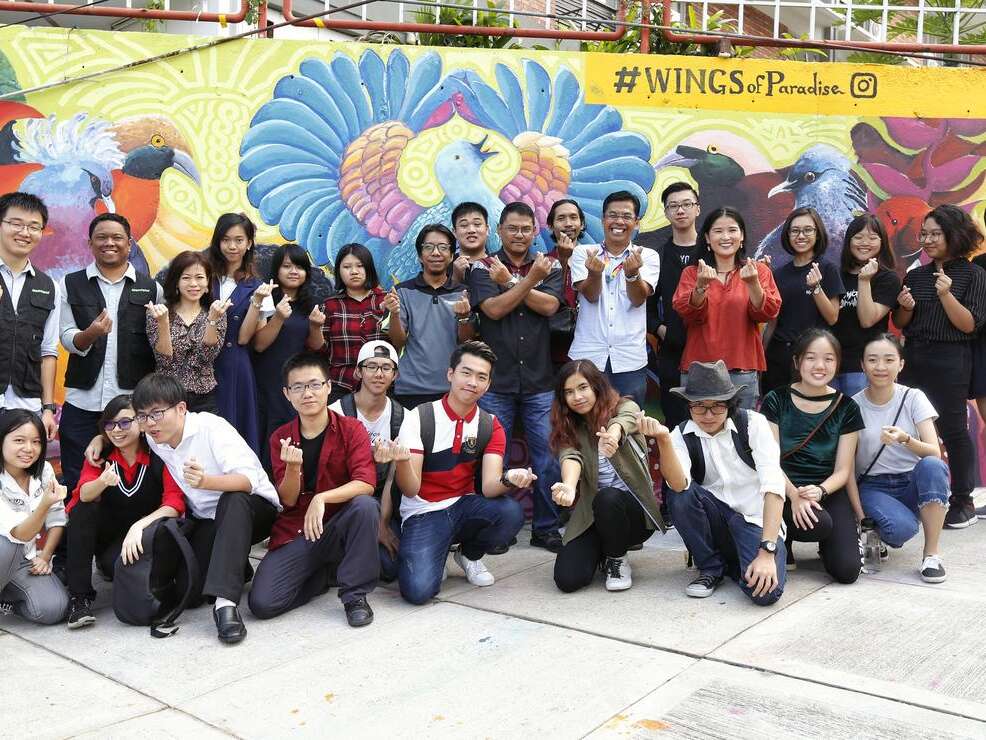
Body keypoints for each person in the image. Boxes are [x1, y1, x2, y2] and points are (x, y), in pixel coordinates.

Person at [88, 373, 281, 644]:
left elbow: (247, 482)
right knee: (189, 595)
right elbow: (122, 433)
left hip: (253, 510)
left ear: (181, 409)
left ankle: (225, 605)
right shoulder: (155, 438)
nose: (150, 423)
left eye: (157, 413)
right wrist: (99, 440)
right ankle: (235, 565)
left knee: (232, 498)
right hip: (208, 521)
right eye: (143, 416)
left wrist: (206, 481)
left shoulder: (212, 428)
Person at [392, 341, 528, 605]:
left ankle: (470, 555)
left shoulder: (490, 424)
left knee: (511, 512)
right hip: (423, 511)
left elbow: (489, 487)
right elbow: (411, 489)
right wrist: (400, 461)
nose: (473, 382)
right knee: (418, 591)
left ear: (488, 385)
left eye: (481, 377)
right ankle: (438, 553)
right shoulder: (420, 416)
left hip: (464, 505)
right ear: (450, 374)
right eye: (466, 373)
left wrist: (510, 480)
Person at [249, 353, 379, 627]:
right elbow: (287, 499)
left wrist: (322, 498)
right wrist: (293, 468)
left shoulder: (351, 429)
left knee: (366, 507)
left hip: (338, 526)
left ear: (328, 387)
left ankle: (354, 595)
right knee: (262, 604)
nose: (307, 393)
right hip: (297, 531)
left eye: (314, 385)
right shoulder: (280, 437)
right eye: (298, 387)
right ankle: (320, 576)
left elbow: (366, 483)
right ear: (287, 394)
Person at [469, 202, 564, 552]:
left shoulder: (547, 266)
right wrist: (528, 284)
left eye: (526, 229)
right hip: (497, 382)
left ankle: (546, 528)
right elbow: (493, 310)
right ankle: (499, 528)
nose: (520, 235)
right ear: (500, 230)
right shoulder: (483, 267)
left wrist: (512, 282)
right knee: (495, 458)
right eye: (513, 228)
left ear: (534, 230)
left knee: (547, 458)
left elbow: (549, 306)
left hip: (540, 381)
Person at [661, 361, 787, 604]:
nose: (708, 415)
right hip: (715, 516)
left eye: (717, 406)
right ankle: (711, 568)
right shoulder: (681, 433)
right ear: (689, 406)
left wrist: (767, 551)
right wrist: (663, 440)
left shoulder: (753, 424)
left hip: (755, 521)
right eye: (699, 407)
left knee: (765, 594)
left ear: (730, 404)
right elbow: (678, 485)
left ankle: (736, 562)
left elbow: (774, 487)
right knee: (680, 494)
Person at [893, 204, 986, 529]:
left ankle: (962, 501)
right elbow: (902, 322)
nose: (928, 240)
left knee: (953, 431)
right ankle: (914, 493)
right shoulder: (917, 274)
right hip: (915, 356)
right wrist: (905, 308)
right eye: (925, 233)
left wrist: (946, 295)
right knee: (908, 426)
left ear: (954, 235)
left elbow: (969, 325)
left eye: (936, 234)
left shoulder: (974, 275)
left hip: (951, 358)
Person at [59, 213, 162, 495]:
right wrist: (91, 333)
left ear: (129, 244)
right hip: (82, 403)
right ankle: (75, 538)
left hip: (129, 407)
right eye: (101, 237)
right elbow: (67, 337)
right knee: (76, 479)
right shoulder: (70, 284)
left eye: (117, 238)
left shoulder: (152, 288)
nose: (109, 243)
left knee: (127, 483)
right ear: (90, 243)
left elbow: (160, 344)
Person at [64, 394, 185, 628]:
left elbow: (175, 503)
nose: (116, 430)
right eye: (109, 424)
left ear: (141, 424)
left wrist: (139, 526)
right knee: (82, 510)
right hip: (109, 535)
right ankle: (79, 598)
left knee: (115, 565)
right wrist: (102, 482)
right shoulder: (101, 457)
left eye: (124, 422)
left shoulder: (159, 454)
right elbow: (83, 494)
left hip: (143, 535)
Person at [548, 360, 665, 593]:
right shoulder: (568, 427)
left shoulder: (623, 407)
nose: (577, 396)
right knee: (568, 579)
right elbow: (570, 457)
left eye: (583, 387)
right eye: (569, 392)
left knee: (608, 497)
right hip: (594, 516)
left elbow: (629, 417)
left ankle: (617, 558)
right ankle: (604, 547)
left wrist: (613, 433)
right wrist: (569, 487)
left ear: (596, 387)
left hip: (634, 515)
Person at [761, 329, 864, 583]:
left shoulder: (847, 406)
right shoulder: (776, 400)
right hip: (782, 491)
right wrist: (794, 495)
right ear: (797, 362)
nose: (820, 366)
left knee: (847, 571)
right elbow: (769, 461)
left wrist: (819, 491)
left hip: (826, 490)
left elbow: (843, 470)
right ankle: (785, 538)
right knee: (816, 522)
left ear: (838, 363)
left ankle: (827, 547)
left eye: (829, 359)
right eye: (811, 358)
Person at [847, 334, 949, 583]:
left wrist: (905, 439)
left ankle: (932, 554)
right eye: (872, 360)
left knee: (933, 466)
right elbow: (847, 468)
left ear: (901, 364)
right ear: (862, 364)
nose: (880, 367)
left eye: (888, 359)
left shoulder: (914, 398)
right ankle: (878, 532)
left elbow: (934, 451)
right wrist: (862, 519)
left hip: (911, 483)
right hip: (872, 486)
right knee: (901, 529)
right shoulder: (852, 406)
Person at [672, 207, 781, 410]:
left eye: (732, 230)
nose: (725, 237)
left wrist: (753, 284)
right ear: (707, 238)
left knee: (742, 433)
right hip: (700, 370)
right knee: (700, 434)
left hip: (742, 370)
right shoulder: (692, 273)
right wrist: (701, 287)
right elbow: (688, 313)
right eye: (718, 231)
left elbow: (767, 313)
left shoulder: (758, 271)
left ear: (742, 237)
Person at [569, 191, 660, 406]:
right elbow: (590, 296)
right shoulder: (584, 253)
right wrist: (594, 274)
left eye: (627, 216)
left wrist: (632, 275)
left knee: (627, 425)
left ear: (636, 222)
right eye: (613, 215)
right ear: (603, 220)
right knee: (584, 424)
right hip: (588, 357)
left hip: (629, 360)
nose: (619, 221)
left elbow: (638, 299)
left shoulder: (646, 256)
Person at [330, 341, 407, 583]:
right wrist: (368, 462)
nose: (378, 373)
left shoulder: (403, 417)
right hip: (343, 499)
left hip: (382, 500)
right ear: (358, 372)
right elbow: (329, 473)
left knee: (391, 568)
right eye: (371, 366)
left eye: (386, 368)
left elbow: (394, 477)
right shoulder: (336, 412)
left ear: (395, 375)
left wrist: (382, 525)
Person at [252, 244, 325, 468]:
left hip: (296, 384)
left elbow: (315, 347)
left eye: (299, 267)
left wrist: (315, 327)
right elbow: (259, 344)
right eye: (287, 266)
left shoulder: (311, 303)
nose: (294, 271)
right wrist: (279, 318)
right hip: (267, 381)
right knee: (268, 437)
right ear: (276, 270)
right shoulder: (266, 298)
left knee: (295, 438)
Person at [386, 224, 473, 410]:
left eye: (443, 247)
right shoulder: (403, 292)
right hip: (410, 389)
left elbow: (466, 341)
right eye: (428, 247)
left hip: (452, 388)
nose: (436, 253)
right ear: (419, 255)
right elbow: (398, 342)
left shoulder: (462, 293)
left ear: (451, 255)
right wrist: (394, 314)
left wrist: (465, 317)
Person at [763, 208, 844, 395]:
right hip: (779, 358)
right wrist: (762, 356)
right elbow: (773, 321)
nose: (801, 236)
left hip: (811, 358)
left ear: (817, 233)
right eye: (795, 230)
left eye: (808, 230)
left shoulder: (827, 269)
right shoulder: (779, 273)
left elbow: (832, 317)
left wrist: (816, 288)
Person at [0, 192, 60, 440]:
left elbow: (48, 351)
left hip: (27, 406)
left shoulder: (49, 286)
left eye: (34, 227)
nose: (25, 232)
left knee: (22, 477)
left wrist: (47, 409)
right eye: (16, 223)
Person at [0, 409, 68, 624]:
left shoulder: (45, 470)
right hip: (5, 551)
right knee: (8, 544)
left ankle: (6, 600)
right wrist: (45, 504)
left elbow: (57, 518)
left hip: (23, 561)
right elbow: (19, 534)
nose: (28, 449)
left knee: (53, 608)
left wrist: (46, 556)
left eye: (36, 442)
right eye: (19, 440)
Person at [207, 213, 268, 453]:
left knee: (237, 430)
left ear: (249, 243)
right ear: (217, 242)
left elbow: (246, 339)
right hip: (199, 364)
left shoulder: (257, 287)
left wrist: (257, 302)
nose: (232, 246)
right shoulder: (202, 276)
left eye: (239, 240)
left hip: (236, 365)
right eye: (226, 239)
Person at [146, 251, 231, 413]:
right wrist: (163, 323)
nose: (193, 284)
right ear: (176, 282)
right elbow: (164, 361)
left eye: (199, 277)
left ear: (208, 283)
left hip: (204, 398)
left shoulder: (217, 312)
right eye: (186, 278)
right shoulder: (158, 312)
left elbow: (207, 356)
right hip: (166, 396)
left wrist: (212, 320)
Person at [650, 182, 701, 429]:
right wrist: (661, 330)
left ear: (697, 209)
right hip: (672, 354)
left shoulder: (713, 252)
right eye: (673, 206)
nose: (680, 210)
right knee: (677, 425)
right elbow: (645, 307)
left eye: (686, 204)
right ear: (667, 212)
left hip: (711, 351)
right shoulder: (656, 257)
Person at [832, 215, 900, 397]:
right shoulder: (837, 274)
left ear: (882, 242)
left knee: (862, 423)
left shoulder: (888, 278)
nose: (865, 243)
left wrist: (863, 281)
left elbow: (867, 320)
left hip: (863, 368)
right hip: (831, 366)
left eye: (872, 238)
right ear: (849, 241)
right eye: (859, 237)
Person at [317, 243, 386, 404]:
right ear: (339, 271)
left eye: (360, 266)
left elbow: (398, 342)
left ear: (369, 269)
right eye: (347, 266)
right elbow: (320, 349)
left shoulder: (385, 300)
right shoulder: (330, 305)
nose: (354, 271)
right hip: (340, 384)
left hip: (380, 383)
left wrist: (393, 313)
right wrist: (314, 326)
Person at [544, 199, 585, 367]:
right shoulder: (543, 262)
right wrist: (563, 259)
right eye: (561, 218)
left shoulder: (595, 258)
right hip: (554, 351)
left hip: (590, 349)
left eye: (573, 218)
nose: (568, 223)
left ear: (581, 224)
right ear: (550, 226)